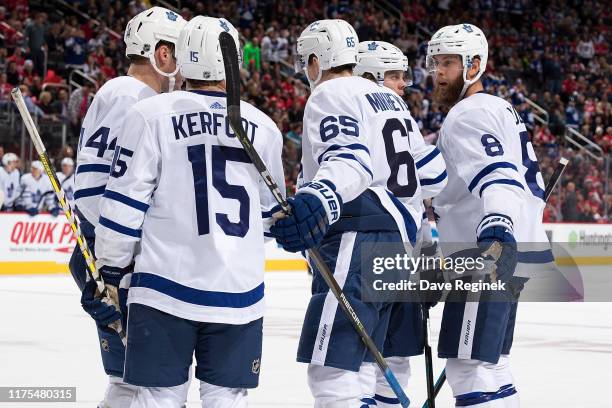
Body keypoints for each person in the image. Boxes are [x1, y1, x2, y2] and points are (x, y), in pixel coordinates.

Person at [94, 16, 285, 408]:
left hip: (164, 290)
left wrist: (110, 273)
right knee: (227, 400)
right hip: (239, 293)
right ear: (233, 62)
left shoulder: (151, 115)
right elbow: (268, 223)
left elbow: (122, 210)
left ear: (184, 58)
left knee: (157, 399)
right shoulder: (265, 128)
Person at [269, 19, 428, 406]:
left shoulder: (329, 94)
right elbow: (432, 177)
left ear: (316, 59)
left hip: (358, 236)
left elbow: (349, 160)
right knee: (374, 372)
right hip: (401, 242)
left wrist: (317, 200)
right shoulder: (390, 100)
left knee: (334, 373)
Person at [426, 23, 577, 408]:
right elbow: (522, 184)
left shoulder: (467, 115)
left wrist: (497, 225)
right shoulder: (500, 108)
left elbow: (497, 175)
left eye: (448, 63)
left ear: (474, 65)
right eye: (435, 63)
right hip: (511, 256)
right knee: (492, 365)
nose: (438, 72)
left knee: (468, 368)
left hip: (485, 256)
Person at [70, 7, 187, 408]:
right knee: (144, 382)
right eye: (182, 53)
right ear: (163, 53)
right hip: (114, 259)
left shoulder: (129, 93)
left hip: (110, 253)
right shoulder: (131, 95)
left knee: (130, 381)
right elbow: (92, 188)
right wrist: (112, 265)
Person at [354, 40, 447, 407]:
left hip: (371, 249)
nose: (402, 83)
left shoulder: (353, 115)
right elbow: (434, 177)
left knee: (366, 360)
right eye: (393, 75)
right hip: (399, 250)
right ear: (370, 77)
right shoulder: (401, 118)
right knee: (389, 360)